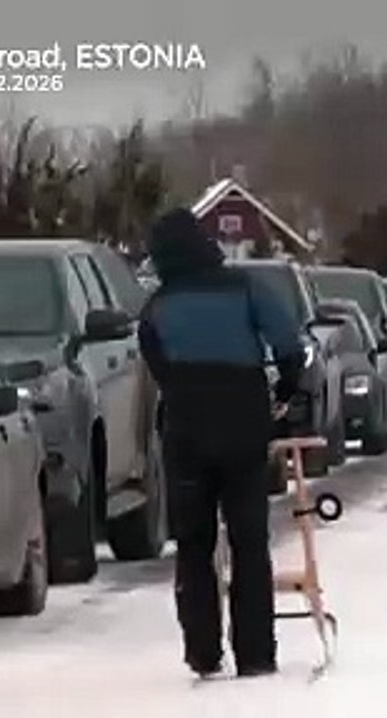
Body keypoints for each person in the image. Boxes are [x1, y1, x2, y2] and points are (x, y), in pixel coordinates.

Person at [137, 207, 305, 678]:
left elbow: (157, 364)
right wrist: (284, 392)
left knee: (193, 544)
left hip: (186, 427)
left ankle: (203, 651)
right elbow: (289, 345)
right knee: (249, 540)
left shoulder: (158, 307)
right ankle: (255, 653)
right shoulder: (246, 288)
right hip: (243, 421)